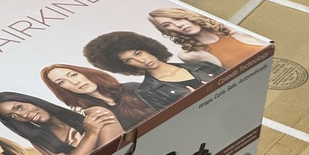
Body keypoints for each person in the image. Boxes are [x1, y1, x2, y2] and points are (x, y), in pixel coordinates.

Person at [83, 31, 224, 111]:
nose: (141, 60)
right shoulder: (147, 91)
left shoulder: (201, 66)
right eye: (129, 60)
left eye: (138, 53)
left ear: (148, 49)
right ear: (124, 66)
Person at [0, 92, 124, 155]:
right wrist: (91, 134)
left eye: (19, 107)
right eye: (13, 116)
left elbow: (113, 152)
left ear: (31, 101)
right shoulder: (40, 140)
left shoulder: (94, 113)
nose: (23, 115)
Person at [40, 63, 156, 130]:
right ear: (62, 89)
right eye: (62, 82)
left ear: (84, 73)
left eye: (73, 75)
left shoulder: (131, 88)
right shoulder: (92, 115)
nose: (74, 82)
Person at [148, 7, 265, 68]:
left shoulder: (229, 29)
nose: (178, 25)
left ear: (187, 16)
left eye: (177, 18)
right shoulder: (189, 55)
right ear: (166, 31)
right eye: (167, 25)